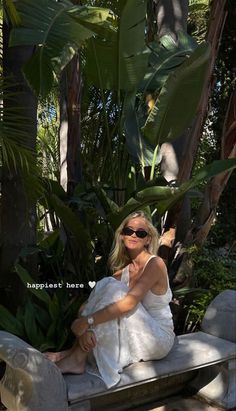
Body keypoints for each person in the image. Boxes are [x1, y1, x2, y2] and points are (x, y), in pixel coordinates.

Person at [46, 211, 175, 388]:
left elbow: (128, 303)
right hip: (135, 334)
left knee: (115, 290)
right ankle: (73, 354)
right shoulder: (123, 273)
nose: (133, 235)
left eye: (141, 233)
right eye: (129, 231)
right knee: (106, 284)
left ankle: (75, 359)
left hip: (158, 337)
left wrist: (87, 321)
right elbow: (88, 304)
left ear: (148, 239)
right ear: (122, 235)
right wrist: (83, 326)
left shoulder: (155, 264)